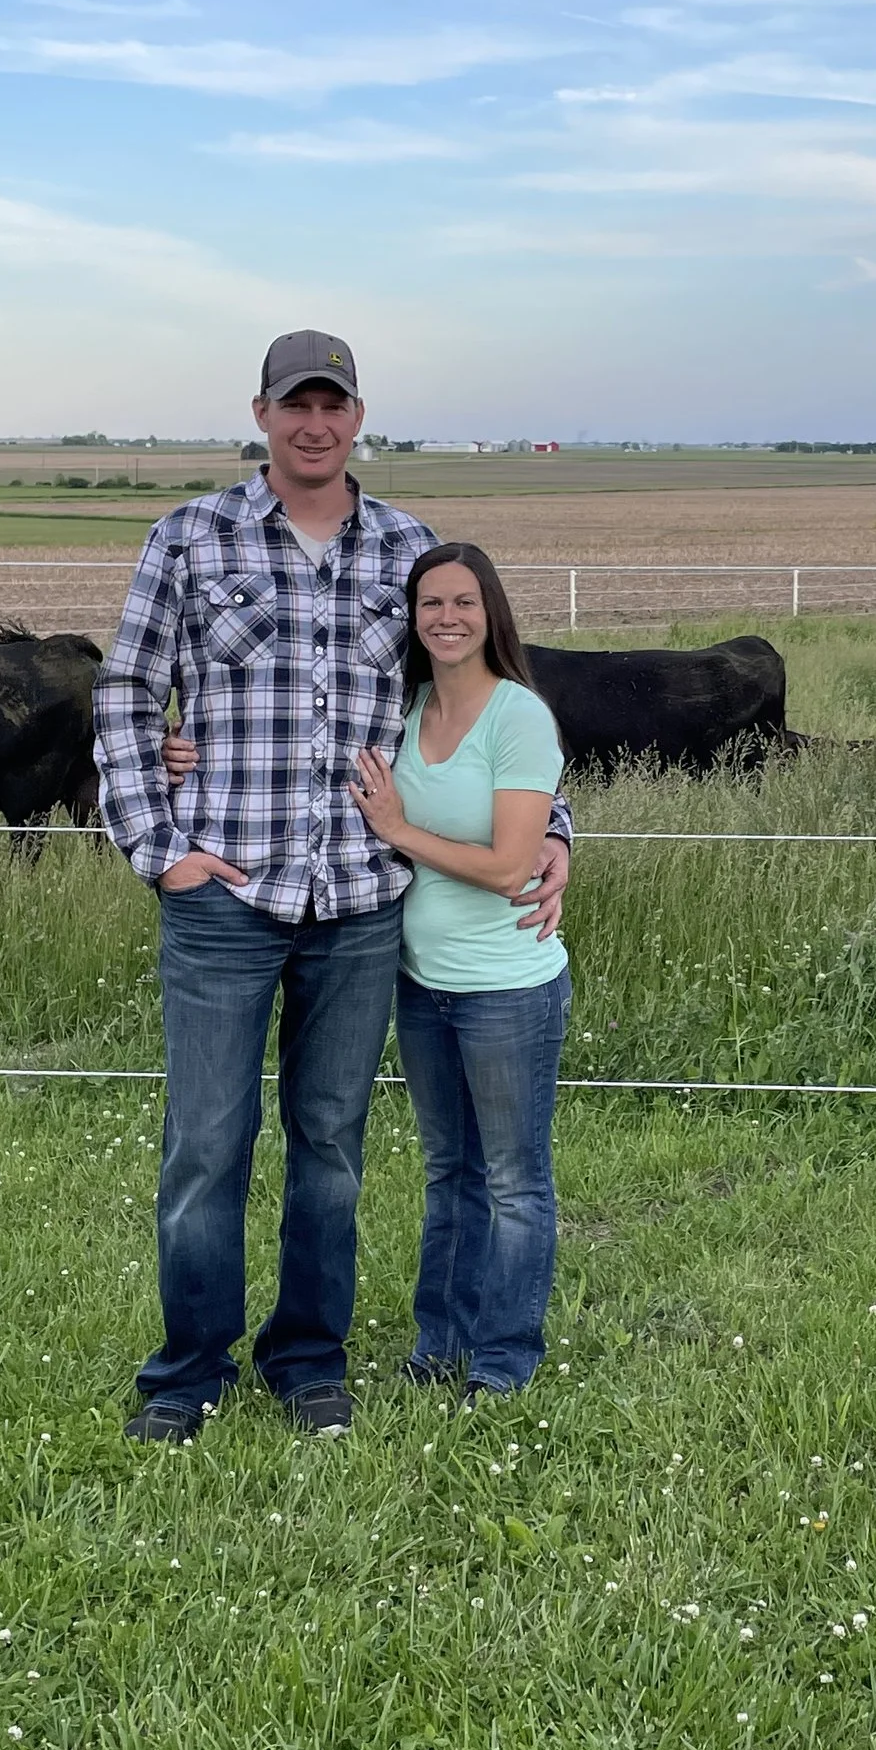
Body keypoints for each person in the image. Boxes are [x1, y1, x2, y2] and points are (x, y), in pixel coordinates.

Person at [93, 333, 569, 1444]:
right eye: (294, 405)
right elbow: (126, 694)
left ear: (360, 418)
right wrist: (156, 847)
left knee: (333, 1145)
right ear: (260, 413)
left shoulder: (407, 550)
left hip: (361, 903)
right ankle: (187, 1373)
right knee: (206, 1145)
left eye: (334, 405)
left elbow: (483, 704)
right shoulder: (190, 536)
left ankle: (308, 1361)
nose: (315, 424)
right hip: (225, 897)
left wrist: (552, 828)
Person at [347, 543, 569, 1398]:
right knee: (450, 1172)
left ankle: (505, 1359)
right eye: (429, 602)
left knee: (515, 1180)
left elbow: (511, 865)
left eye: (464, 602)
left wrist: (399, 830)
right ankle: (437, 1346)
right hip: (422, 980)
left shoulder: (518, 717)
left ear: (491, 613)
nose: (445, 617)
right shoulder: (403, 713)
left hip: (507, 987)